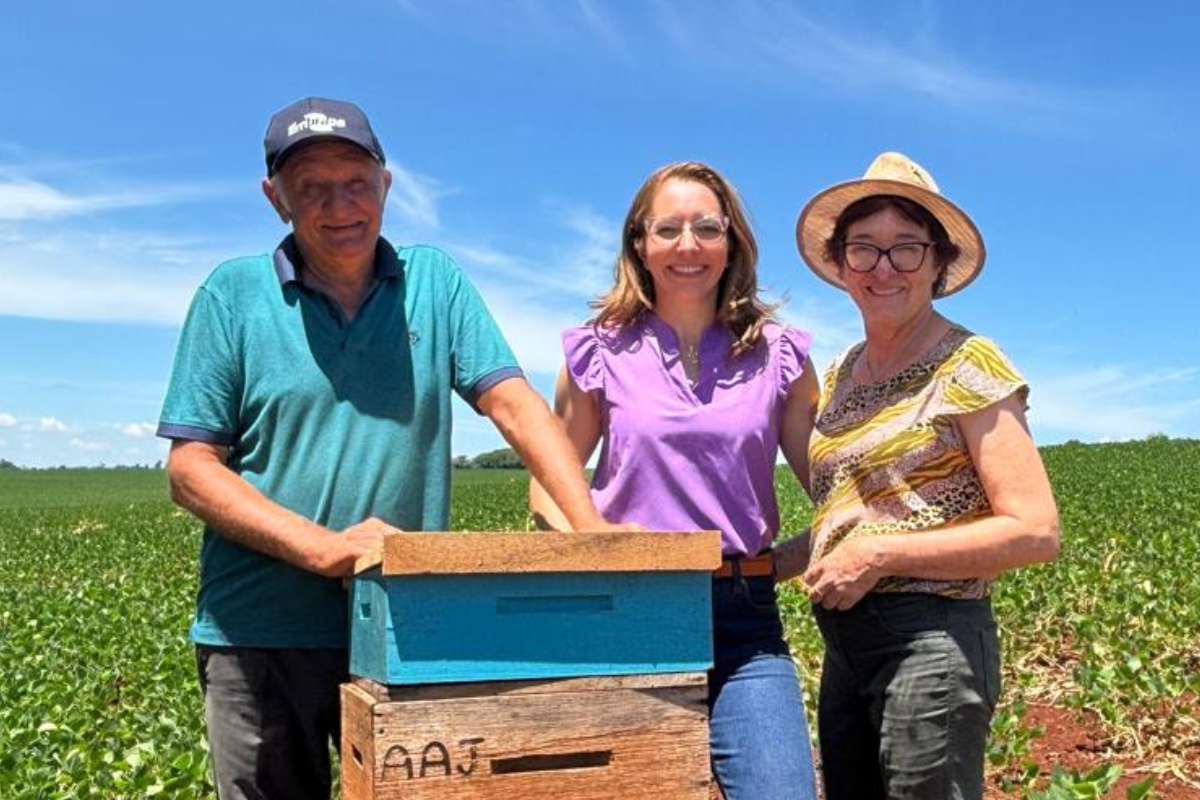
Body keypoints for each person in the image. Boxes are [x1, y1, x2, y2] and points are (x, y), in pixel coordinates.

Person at [157, 96, 629, 800]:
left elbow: (513, 402)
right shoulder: (232, 296)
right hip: (258, 632)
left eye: (355, 182)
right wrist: (325, 548)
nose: (339, 204)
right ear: (274, 198)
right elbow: (191, 468)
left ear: (386, 182)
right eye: (312, 187)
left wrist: (591, 533)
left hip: (401, 623)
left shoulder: (433, 283)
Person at [529, 161, 820, 800]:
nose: (688, 246)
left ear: (731, 242)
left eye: (706, 228)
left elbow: (833, 483)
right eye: (668, 229)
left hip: (744, 621)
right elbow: (548, 487)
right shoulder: (596, 352)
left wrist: (802, 551)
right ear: (640, 242)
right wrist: (600, 543)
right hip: (622, 617)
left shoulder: (780, 355)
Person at [793, 151, 1061, 800]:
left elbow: (1034, 530)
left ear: (938, 264)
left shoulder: (968, 364)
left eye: (906, 249)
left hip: (931, 640)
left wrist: (880, 554)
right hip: (847, 646)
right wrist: (746, 565)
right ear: (840, 263)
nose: (884, 268)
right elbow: (861, 519)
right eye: (864, 249)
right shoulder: (839, 375)